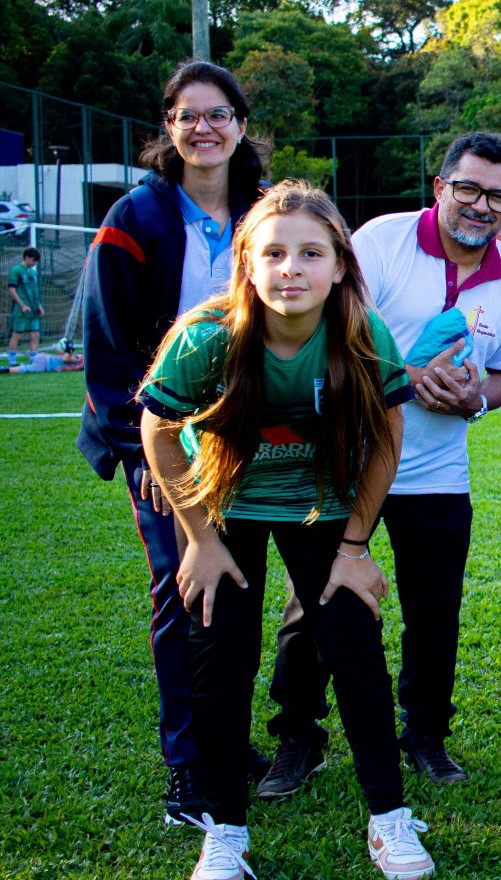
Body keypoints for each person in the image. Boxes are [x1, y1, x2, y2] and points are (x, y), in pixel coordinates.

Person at [139, 181, 434, 880]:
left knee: (356, 652)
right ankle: (225, 832)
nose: (291, 269)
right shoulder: (208, 335)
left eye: (310, 253)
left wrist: (356, 546)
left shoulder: (361, 331)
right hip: (228, 506)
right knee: (220, 662)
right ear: (246, 263)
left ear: (339, 265)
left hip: (322, 506)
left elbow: (388, 436)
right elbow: (156, 428)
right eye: (273, 253)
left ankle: (388, 821)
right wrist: (200, 542)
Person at [260, 133, 501, 796]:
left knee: (435, 612)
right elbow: (330, 332)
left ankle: (427, 737)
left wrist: (475, 398)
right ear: (440, 187)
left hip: (437, 471)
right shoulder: (382, 241)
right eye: (467, 188)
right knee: (315, 600)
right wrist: (405, 374)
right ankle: (298, 737)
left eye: (496, 195)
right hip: (343, 465)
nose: (479, 204)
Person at [76, 59, 270, 824]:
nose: (203, 127)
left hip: (247, 433)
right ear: (168, 128)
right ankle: (189, 766)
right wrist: (139, 451)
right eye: (187, 115)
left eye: (218, 113)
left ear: (241, 125)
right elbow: (108, 347)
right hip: (160, 437)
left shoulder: (263, 211)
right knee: (182, 587)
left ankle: (228, 737)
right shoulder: (137, 217)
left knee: (238, 587)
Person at [7, 246, 42, 355]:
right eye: (34, 260)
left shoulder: (33, 272)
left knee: (35, 335)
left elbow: (34, 291)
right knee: (17, 335)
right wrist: (22, 305)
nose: (35, 263)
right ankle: (12, 362)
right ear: (27, 257)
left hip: (34, 309)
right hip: (21, 309)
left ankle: (34, 359)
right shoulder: (16, 270)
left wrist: (39, 306)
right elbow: (12, 290)